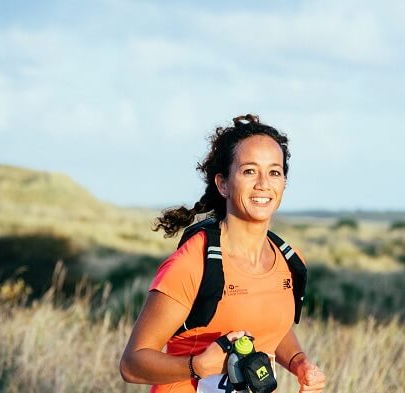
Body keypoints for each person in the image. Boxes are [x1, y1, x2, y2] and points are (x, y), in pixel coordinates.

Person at [120, 114, 326, 392]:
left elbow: (270, 324)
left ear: (283, 184)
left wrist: (300, 363)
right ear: (223, 184)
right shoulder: (193, 263)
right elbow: (131, 364)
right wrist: (196, 366)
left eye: (274, 172)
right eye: (249, 171)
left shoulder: (290, 260)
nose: (263, 183)